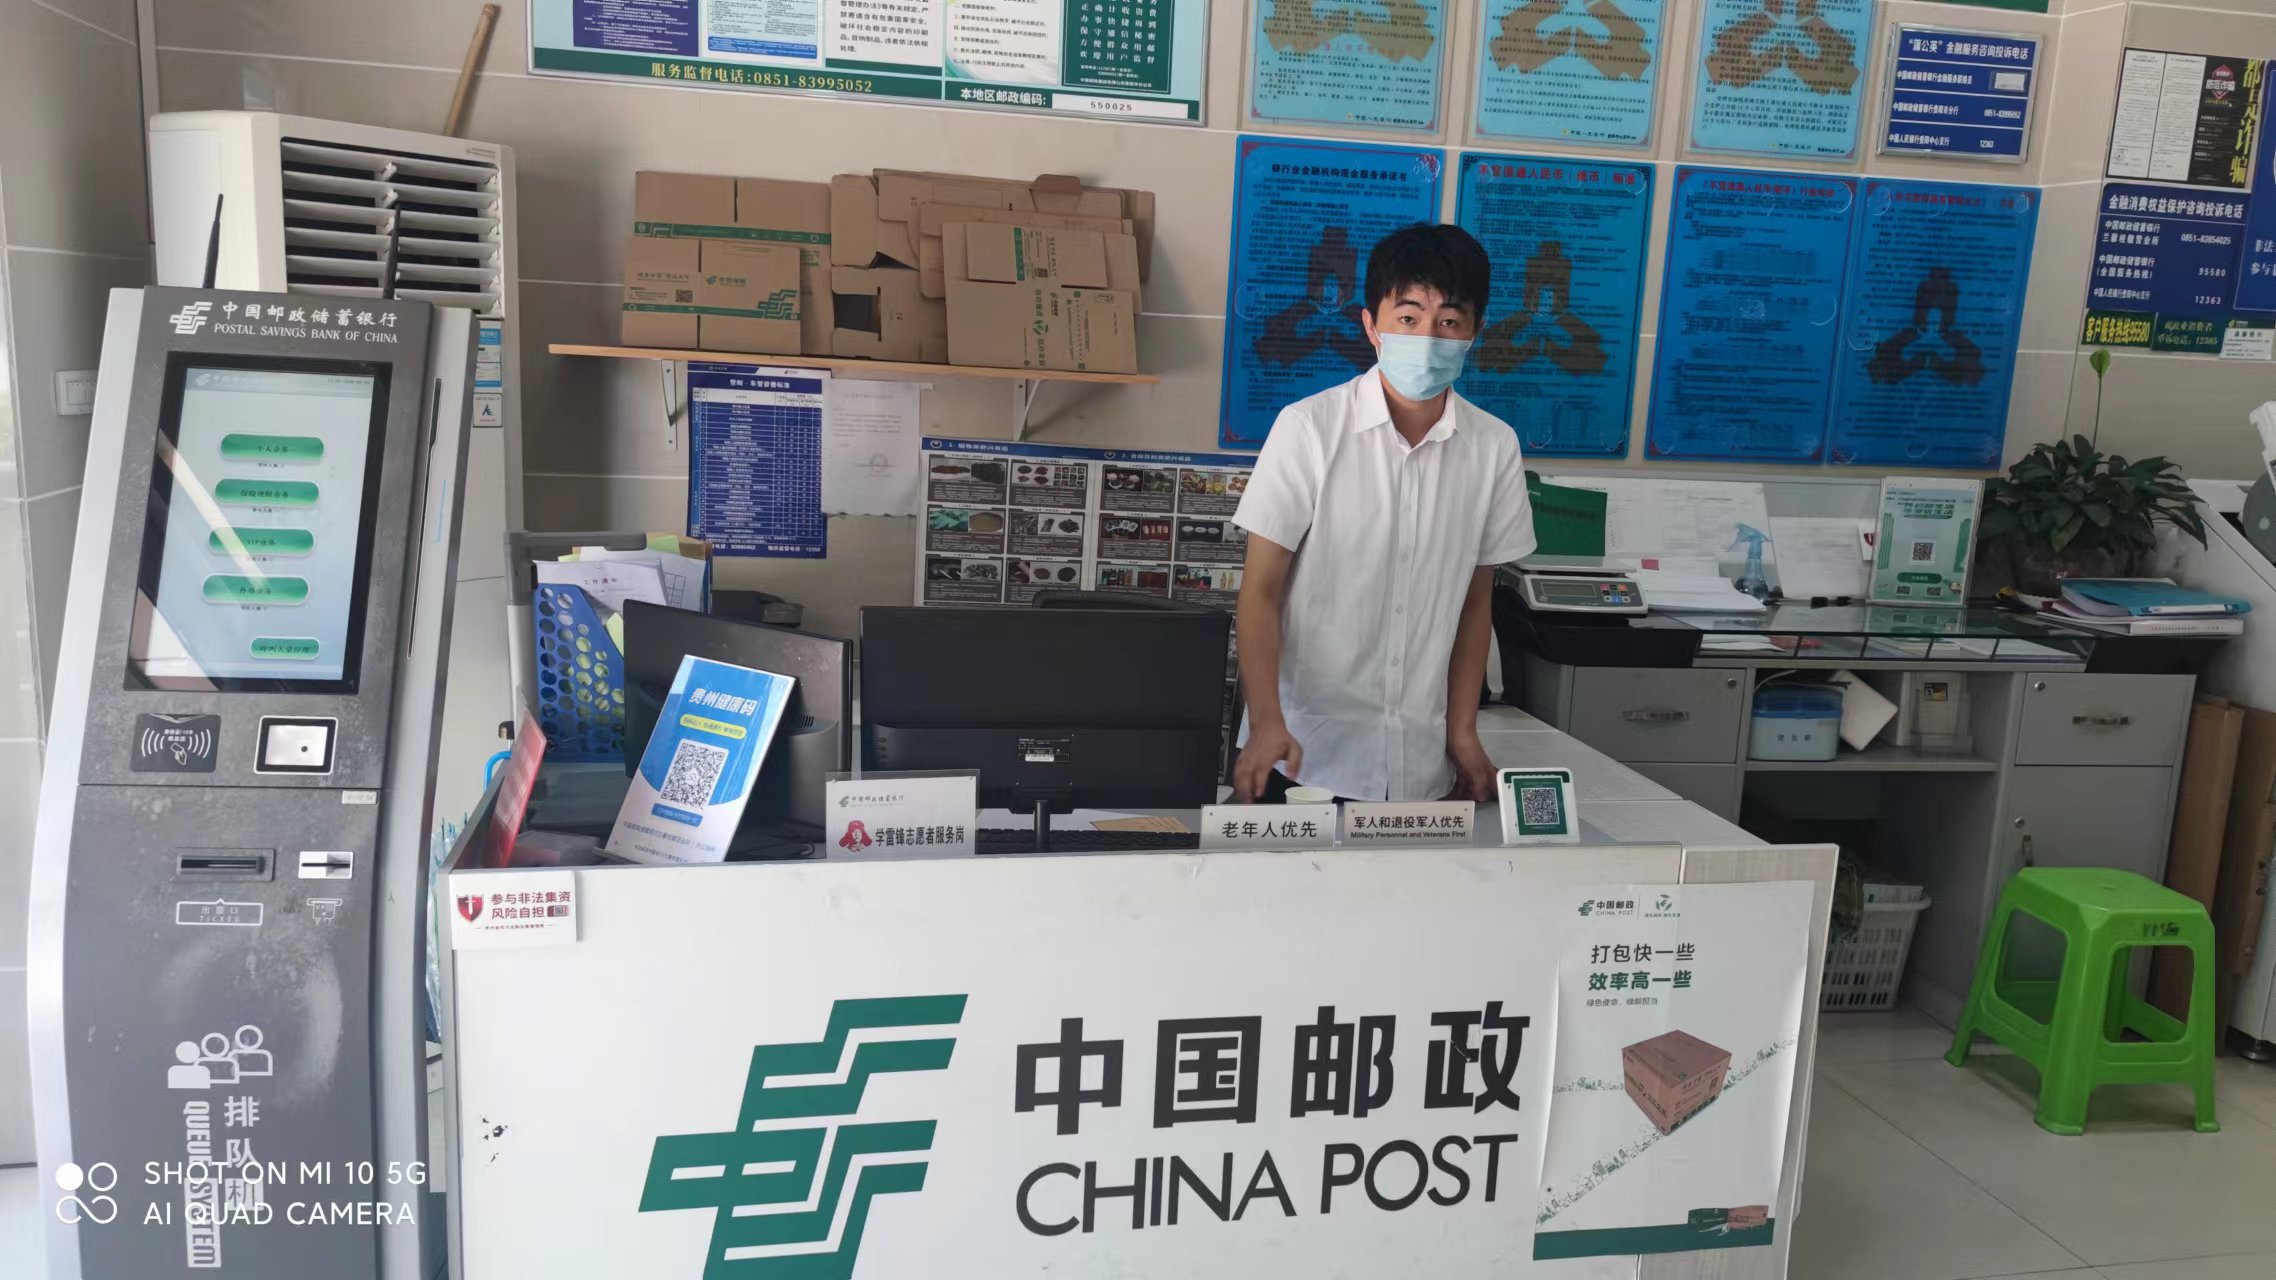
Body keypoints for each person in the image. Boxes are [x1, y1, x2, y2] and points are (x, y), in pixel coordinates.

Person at [1230, 222, 1535, 804]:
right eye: (1409, 317)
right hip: (1302, 758)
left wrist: (1462, 732)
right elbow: (1260, 591)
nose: (1428, 336)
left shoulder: (1494, 447)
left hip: (1423, 765)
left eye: (1449, 321)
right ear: (1371, 325)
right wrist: (1266, 718)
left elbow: (1475, 604)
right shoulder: (1310, 428)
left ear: (1475, 331)